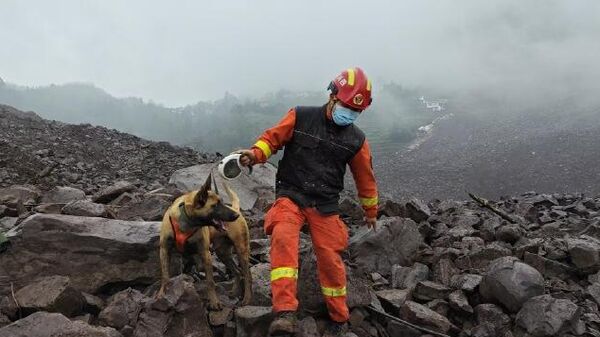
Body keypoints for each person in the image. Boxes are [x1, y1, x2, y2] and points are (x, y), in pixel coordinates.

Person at [237, 67, 378, 336]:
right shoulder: (301, 116)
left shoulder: (356, 140)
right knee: (283, 238)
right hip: (292, 194)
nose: (349, 113)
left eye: (355, 111)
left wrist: (370, 211)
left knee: (330, 256)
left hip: (324, 203)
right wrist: (255, 154)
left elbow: (365, 178)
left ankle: (339, 318)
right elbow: (272, 139)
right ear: (332, 96)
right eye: (346, 106)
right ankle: (285, 313)